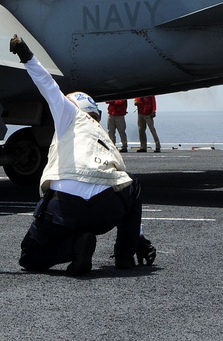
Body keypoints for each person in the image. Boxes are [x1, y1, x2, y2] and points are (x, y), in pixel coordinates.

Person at [9, 35, 155, 275]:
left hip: (64, 207)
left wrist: (26, 55)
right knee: (133, 184)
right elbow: (125, 189)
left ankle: (75, 246)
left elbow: (48, 86)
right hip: (103, 211)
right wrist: (137, 236)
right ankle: (124, 257)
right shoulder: (105, 138)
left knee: (30, 257)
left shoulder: (69, 114)